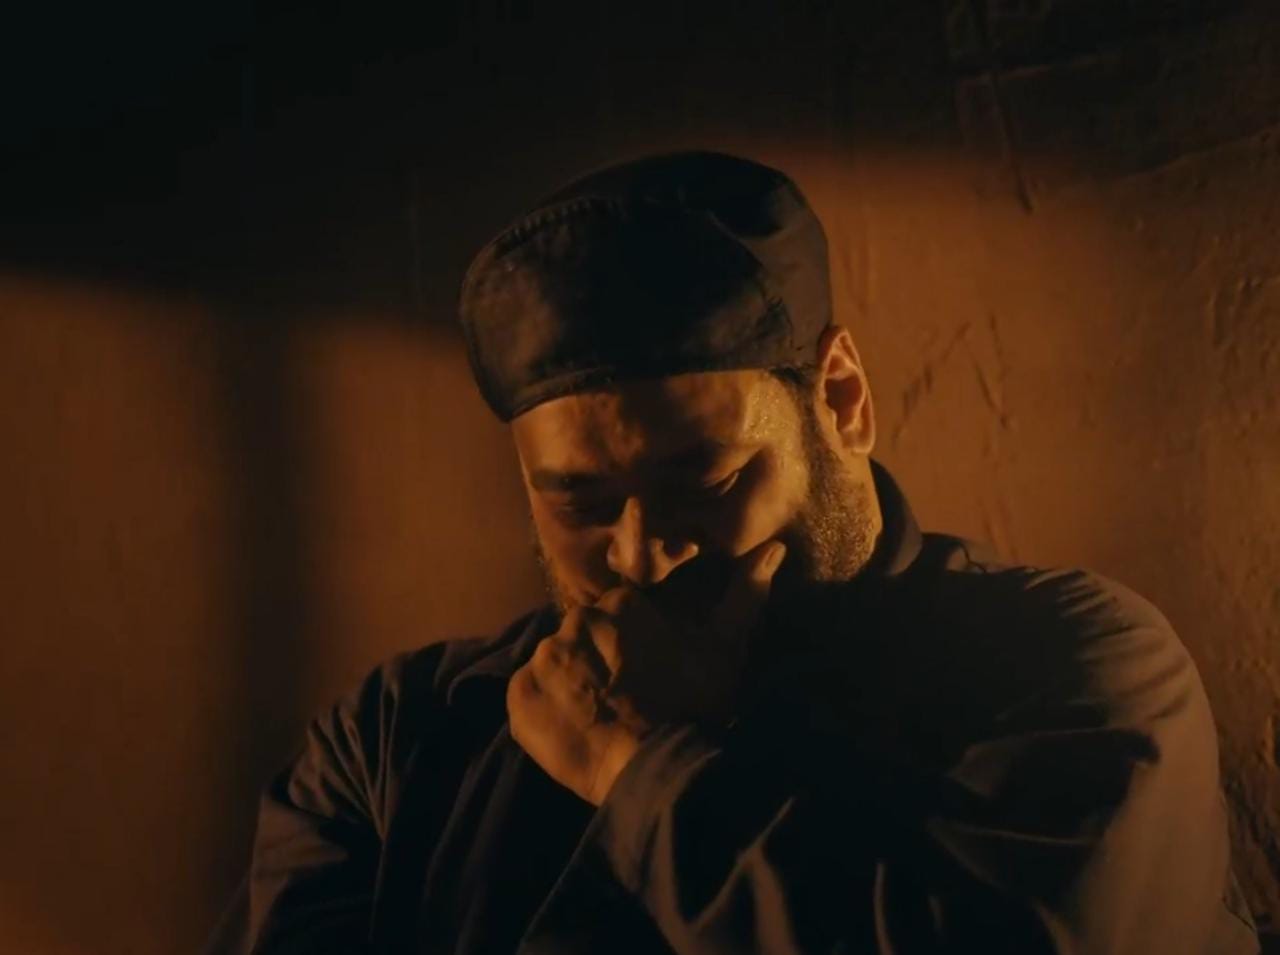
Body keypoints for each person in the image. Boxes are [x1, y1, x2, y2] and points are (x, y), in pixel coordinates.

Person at [209, 151, 1260, 954]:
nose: (643, 555)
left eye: (702, 484)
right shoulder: (400, 740)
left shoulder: (1077, 671)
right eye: (581, 504)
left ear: (840, 400)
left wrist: (638, 766)